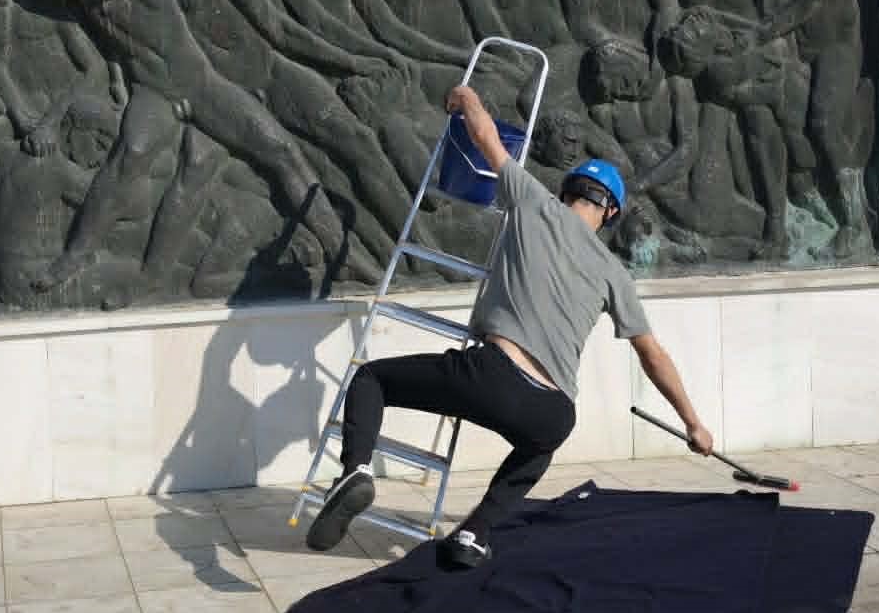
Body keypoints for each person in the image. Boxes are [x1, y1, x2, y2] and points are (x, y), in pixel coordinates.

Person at [305, 84, 715, 570]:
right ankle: (473, 534)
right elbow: (653, 355)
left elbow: (484, 138)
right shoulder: (614, 273)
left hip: (490, 374)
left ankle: (354, 472)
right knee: (539, 446)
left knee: (371, 377)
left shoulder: (534, 202)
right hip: (551, 406)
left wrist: (466, 97)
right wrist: (693, 423)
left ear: (567, 192)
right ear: (609, 214)